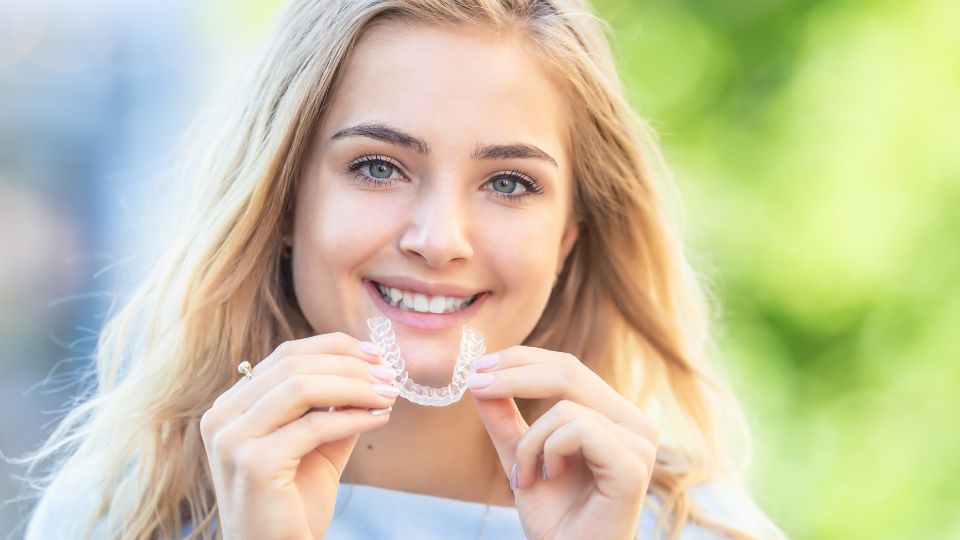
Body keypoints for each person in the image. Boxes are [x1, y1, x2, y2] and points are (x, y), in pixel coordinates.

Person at [18, 0, 786, 538]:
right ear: (284, 202)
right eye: (379, 167)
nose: (439, 238)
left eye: (508, 182)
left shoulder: (701, 531)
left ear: (568, 238)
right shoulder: (113, 518)